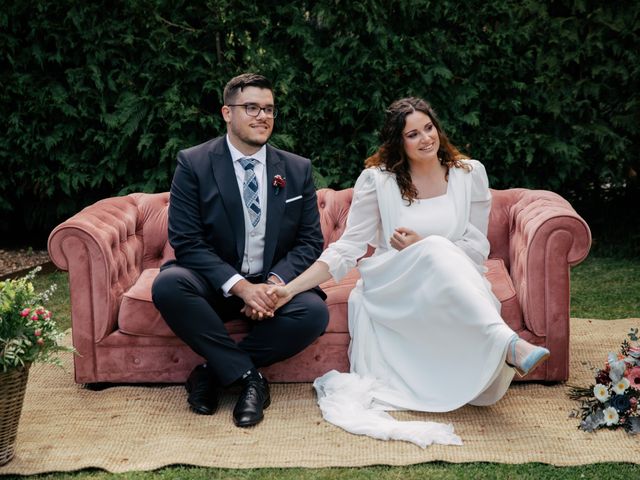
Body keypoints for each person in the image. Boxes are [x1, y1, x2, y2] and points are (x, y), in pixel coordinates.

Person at [267, 97, 550, 446]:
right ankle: (507, 343)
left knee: (434, 247)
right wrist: (290, 289)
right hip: (394, 282)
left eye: (428, 128)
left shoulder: (468, 173)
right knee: (431, 247)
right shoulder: (378, 180)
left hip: (454, 277)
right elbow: (346, 249)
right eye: (412, 134)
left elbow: (476, 248)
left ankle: (503, 343)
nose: (426, 139)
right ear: (398, 143)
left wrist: (426, 245)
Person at [152, 73, 329, 428]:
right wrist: (240, 287)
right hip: (215, 283)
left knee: (313, 312)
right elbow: (186, 239)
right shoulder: (194, 163)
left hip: (270, 285)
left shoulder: (296, 169)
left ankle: (210, 374)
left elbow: (310, 241)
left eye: (269, 109)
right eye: (251, 107)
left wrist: (275, 284)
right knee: (168, 286)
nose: (262, 116)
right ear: (226, 113)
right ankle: (250, 380)